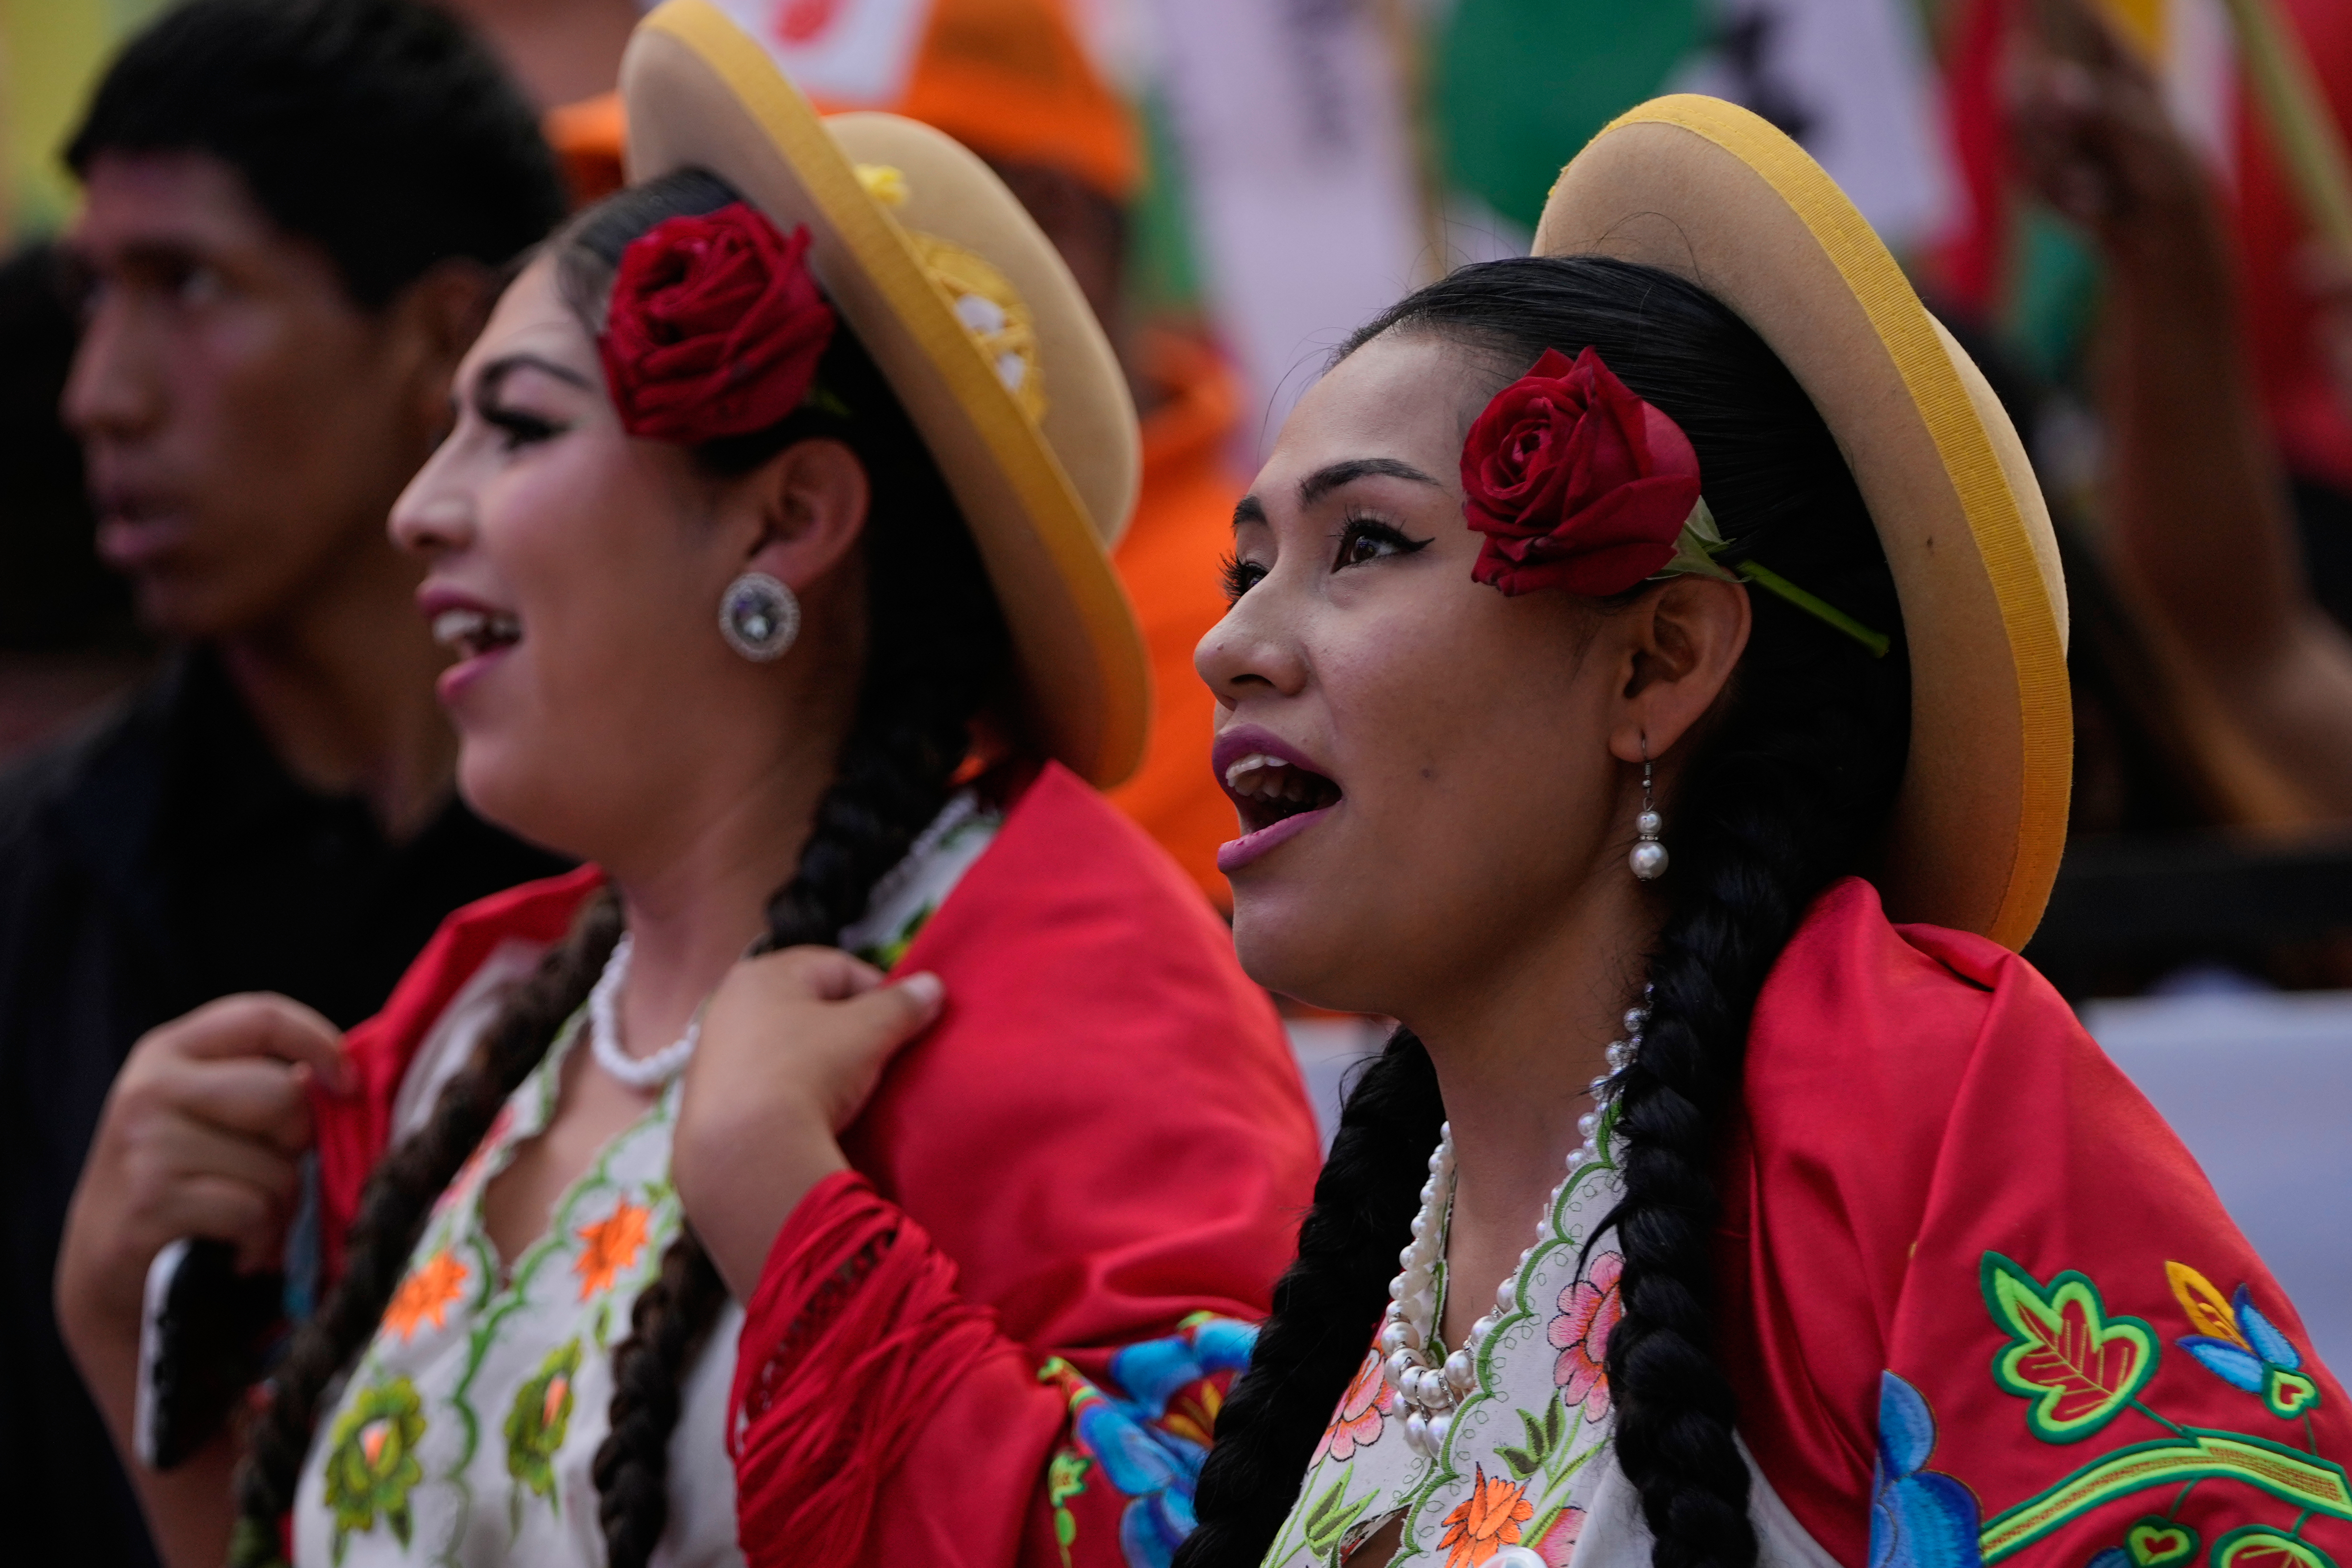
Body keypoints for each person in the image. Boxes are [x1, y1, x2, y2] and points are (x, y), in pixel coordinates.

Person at [56, 5, 1319, 1568]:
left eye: (512, 427)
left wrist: (786, 1205)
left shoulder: (1079, 981)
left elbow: (1229, 1530)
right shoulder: (463, 1024)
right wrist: (133, 1333)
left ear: (784, 519)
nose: (417, 513)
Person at [1173, 98, 2352, 1567]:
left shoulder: (1912, 1096)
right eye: (1244, 563)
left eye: (1365, 543)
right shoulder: (1383, 1226)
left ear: (1657, 661)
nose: (1230, 643)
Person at [1, 4, 571, 1564]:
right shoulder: (43, 887)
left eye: (188, 287)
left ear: (445, 343)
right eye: (88, 294)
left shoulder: (679, 872)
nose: (98, 393)